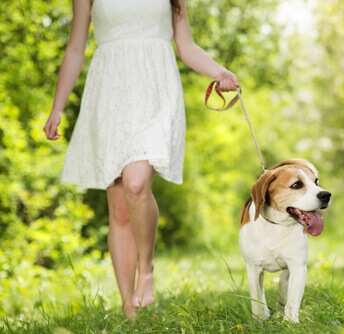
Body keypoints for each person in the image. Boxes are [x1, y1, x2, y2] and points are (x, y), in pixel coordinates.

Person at [43, 0, 238, 318]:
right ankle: (128, 312)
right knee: (119, 209)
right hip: (110, 92)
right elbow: (76, 48)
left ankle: (145, 269)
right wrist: (57, 107)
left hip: (156, 91)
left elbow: (186, 45)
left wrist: (220, 73)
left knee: (136, 184)